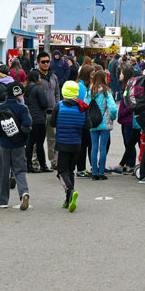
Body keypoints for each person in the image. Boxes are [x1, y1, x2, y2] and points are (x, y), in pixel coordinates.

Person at [0, 82, 32, 209]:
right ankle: (24, 192)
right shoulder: (23, 108)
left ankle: (3, 201)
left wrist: (0, 134)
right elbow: (27, 125)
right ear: (20, 94)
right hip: (19, 145)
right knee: (19, 170)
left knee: (3, 172)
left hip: (4, 144)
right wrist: (22, 136)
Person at [51, 81, 85, 212]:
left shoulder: (59, 106)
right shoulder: (82, 107)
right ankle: (68, 200)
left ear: (64, 92)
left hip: (62, 144)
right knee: (70, 171)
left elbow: (52, 123)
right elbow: (87, 125)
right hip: (76, 144)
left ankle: (70, 190)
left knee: (61, 172)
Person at [88, 71, 118, 181]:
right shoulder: (106, 92)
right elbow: (113, 108)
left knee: (94, 147)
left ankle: (94, 172)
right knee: (103, 148)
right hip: (104, 122)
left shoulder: (89, 91)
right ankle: (101, 172)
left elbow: (85, 105)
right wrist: (112, 117)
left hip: (93, 122)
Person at [24, 69, 51, 172]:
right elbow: (45, 104)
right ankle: (43, 165)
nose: (40, 79)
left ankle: (28, 165)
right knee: (39, 143)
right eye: (39, 77)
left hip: (28, 118)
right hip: (38, 119)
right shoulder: (38, 89)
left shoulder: (25, 89)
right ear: (35, 78)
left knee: (30, 143)